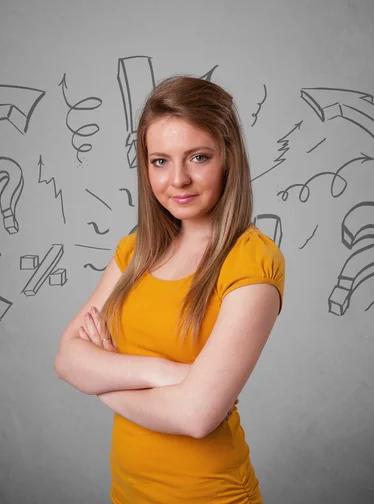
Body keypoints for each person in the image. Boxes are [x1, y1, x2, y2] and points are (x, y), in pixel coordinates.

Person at [54, 75, 286, 504]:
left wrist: (102, 383)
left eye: (197, 157)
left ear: (228, 158)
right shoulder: (137, 250)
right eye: (160, 161)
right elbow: (68, 359)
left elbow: (196, 416)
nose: (177, 179)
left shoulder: (251, 260)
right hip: (127, 493)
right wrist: (161, 373)